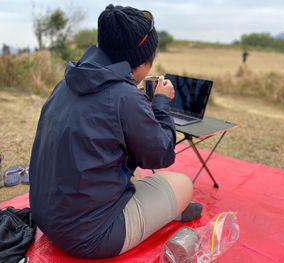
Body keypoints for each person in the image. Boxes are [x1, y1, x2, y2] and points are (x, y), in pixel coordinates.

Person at [29, 4, 202, 259]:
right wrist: (162, 103)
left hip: (45, 216)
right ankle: (166, 210)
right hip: (89, 236)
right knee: (183, 183)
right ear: (143, 61)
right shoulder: (124, 97)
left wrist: (136, 104)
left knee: (135, 169)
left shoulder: (66, 83)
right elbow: (162, 155)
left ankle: (158, 208)